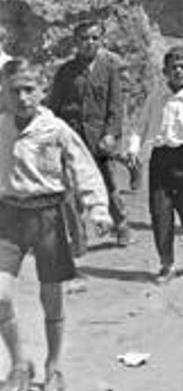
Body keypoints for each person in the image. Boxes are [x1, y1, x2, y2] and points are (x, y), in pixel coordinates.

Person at [0, 58, 111, 391]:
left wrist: (98, 209)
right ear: (3, 93)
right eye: (14, 90)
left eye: (29, 89)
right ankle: (19, 364)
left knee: (51, 298)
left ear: (42, 90)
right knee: (0, 296)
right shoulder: (1, 127)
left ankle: (53, 364)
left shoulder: (56, 129)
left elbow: (84, 168)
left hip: (49, 216)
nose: (22, 97)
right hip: (9, 217)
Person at [128, 46, 183, 284]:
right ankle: (166, 263)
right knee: (160, 213)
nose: (178, 71)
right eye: (173, 67)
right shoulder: (156, 97)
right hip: (160, 159)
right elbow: (141, 125)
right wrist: (133, 149)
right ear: (165, 71)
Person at [46, 20, 131, 249]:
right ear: (76, 42)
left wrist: (111, 135)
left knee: (108, 184)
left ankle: (121, 225)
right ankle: (78, 237)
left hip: (99, 138)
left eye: (94, 38)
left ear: (101, 40)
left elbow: (115, 107)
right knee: (71, 190)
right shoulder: (65, 72)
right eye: (84, 39)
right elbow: (54, 106)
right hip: (72, 137)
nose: (89, 43)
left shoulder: (110, 68)